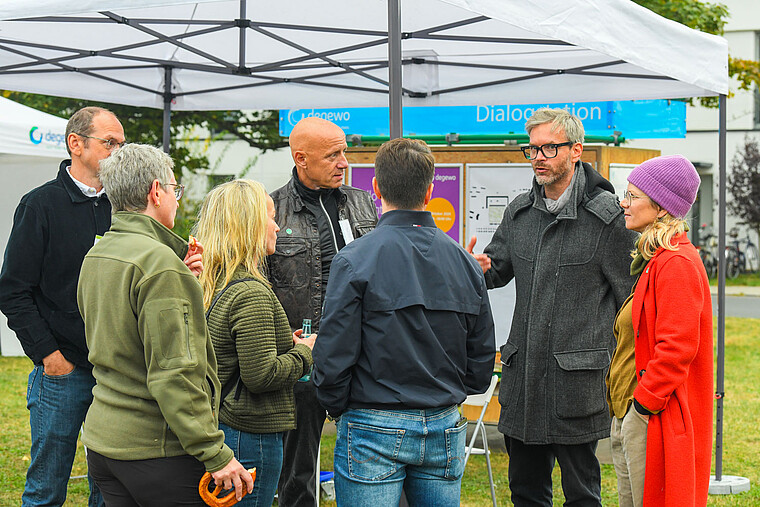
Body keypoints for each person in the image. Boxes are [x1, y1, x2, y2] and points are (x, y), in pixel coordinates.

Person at [466, 108, 637, 506]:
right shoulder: (519, 212)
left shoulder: (609, 218)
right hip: (523, 382)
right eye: (533, 149)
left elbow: (632, 302)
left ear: (576, 150)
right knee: (525, 493)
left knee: (581, 496)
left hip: (576, 389)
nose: (539, 157)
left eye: (549, 148)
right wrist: (477, 268)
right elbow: (496, 270)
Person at [313, 138, 496, 506]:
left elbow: (333, 354)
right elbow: (480, 359)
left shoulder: (353, 260)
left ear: (376, 187)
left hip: (372, 421)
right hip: (442, 420)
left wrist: (338, 405)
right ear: (430, 191)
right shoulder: (464, 262)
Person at [76, 144, 253, 505]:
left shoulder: (99, 252)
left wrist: (178, 278)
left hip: (105, 441)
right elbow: (175, 373)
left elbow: (120, 330)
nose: (176, 198)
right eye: (175, 189)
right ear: (156, 191)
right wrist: (215, 453)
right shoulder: (159, 265)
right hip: (156, 449)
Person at [0, 106, 125, 507]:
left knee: (109, 488)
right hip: (62, 371)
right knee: (46, 488)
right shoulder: (40, 205)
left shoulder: (124, 207)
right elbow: (13, 290)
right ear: (76, 144)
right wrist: (49, 356)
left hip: (116, 372)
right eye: (110, 143)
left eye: (122, 145)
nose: (118, 153)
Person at [269, 116, 378, 507]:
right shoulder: (272, 210)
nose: (344, 162)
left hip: (364, 355)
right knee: (298, 473)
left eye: (344, 151)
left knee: (374, 463)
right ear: (301, 158)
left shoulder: (362, 202)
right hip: (304, 356)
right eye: (333, 154)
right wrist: (284, 344)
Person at [195, 179, 316, 507]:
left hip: (221, 425)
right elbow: (260, 376)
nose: (277, 226)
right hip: (249, 436)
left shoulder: (210, 281)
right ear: (247, 224)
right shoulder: (251, 293)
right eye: (271, 216)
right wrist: (305, 352)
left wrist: (280, 343)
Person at [608, 155, 713, 507]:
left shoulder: (676, 263)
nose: (624, 202)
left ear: (661, 207)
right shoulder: (656, 259)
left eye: (633, 195)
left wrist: (642, 407)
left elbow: (677, 349)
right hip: (634, 413)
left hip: (652, 419)